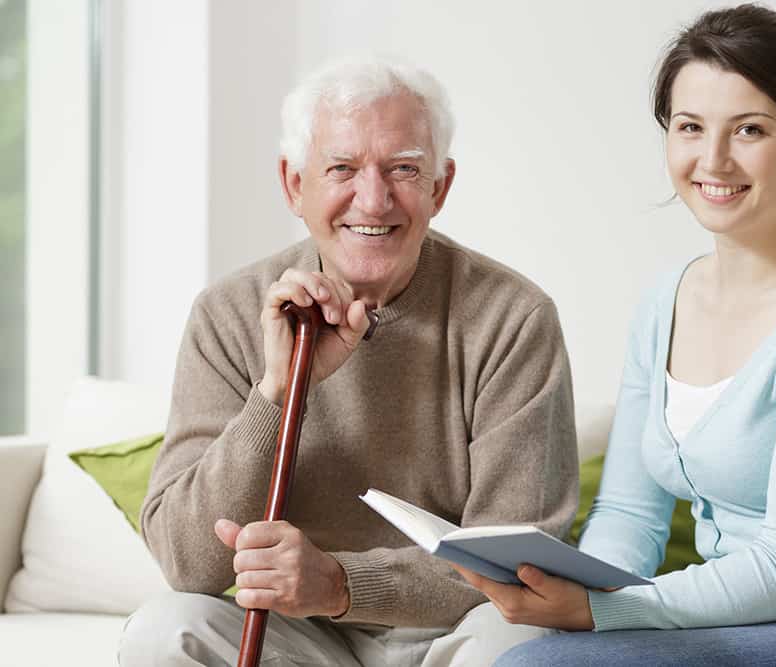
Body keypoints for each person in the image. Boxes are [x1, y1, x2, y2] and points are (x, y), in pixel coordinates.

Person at [455, 5, 776, 666]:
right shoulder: (663, 304)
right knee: (540, 647)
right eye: (691, 127)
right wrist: (571, 596)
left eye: (749, 129)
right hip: (760, 625)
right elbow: (628, 518)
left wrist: (601, 612)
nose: (714, 159)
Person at [118, 58, 579, 667]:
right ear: (293, 185)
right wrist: (278, 392)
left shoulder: (512, 317)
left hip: (451, 637)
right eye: (341, 168)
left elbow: (519, 564)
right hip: (292, 635)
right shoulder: (228, 313)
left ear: (439, 188)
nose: (374, 198)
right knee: (163, 630)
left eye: (404, 169)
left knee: (521, 644)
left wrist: (340, 583)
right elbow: (187, 561)